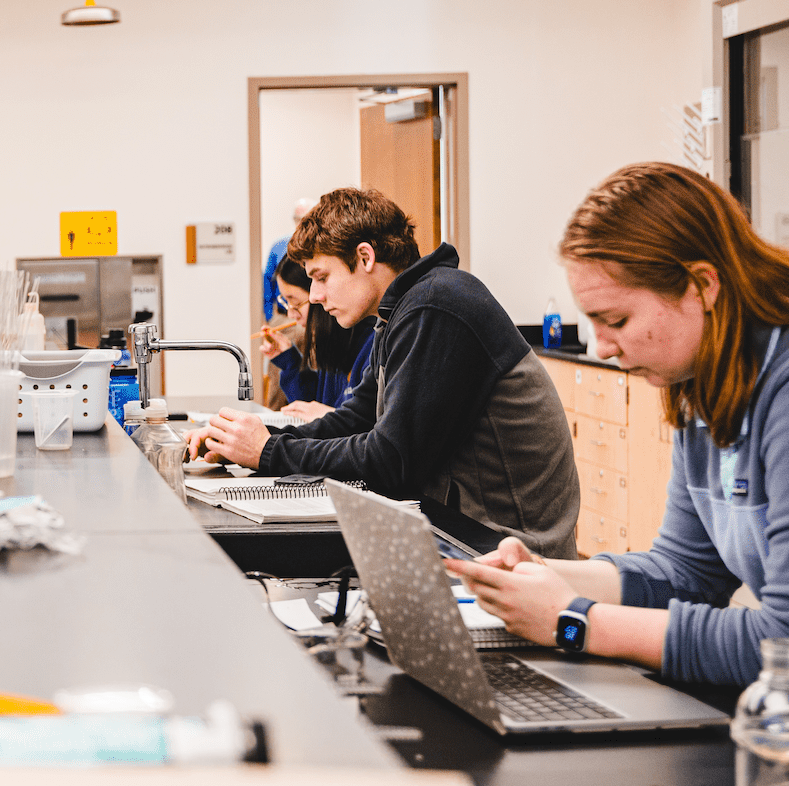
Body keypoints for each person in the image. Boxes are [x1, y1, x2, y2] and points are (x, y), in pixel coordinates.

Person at [447, 162, 789, 720]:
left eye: (615, 318)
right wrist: (544, 579)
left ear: (702, 286)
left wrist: (573, 621)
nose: (602, 347)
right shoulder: (708, 376)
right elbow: (688, 572)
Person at [191, 186, 579, 557]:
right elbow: (355, 421)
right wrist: (250, 444)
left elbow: (390, 460)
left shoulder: (436, 305)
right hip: (462, 530)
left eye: (322, 277)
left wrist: (268, 451)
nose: (315, 296)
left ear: (364, 258)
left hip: (509, 548)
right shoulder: (400, 312)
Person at [261, 253, 374, 422]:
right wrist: (288, 360)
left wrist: (331, 417)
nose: (292, 314)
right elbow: (314, 406)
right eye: (286, 303)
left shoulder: (370, 342)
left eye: (295, 302)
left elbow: (364, 429)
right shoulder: (332, 343)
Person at [262, 196, 318, 322]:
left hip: (312, 314)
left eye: (306, 219)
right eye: (297, 219)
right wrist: (269, 315)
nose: (301, 224)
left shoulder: (320, 248)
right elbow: (267, 280)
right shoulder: (279, 247)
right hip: (283, 314)